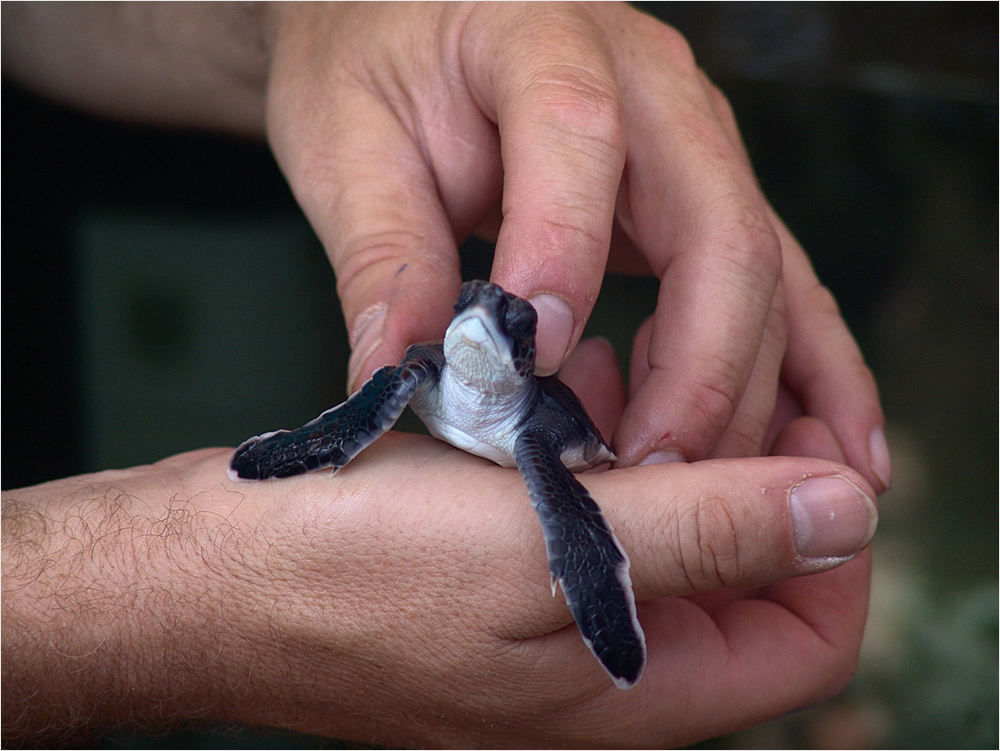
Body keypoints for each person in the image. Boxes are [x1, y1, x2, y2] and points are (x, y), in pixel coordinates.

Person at [2, 3, 889, 747]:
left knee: (568, 510)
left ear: (521, 344)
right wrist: (188, 596)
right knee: (377, 401)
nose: (473, 318)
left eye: (499, 316)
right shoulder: (419, 375)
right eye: (469, 304)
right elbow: (349, 423)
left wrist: (304, 16)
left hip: (560, 439)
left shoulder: (539, 433)